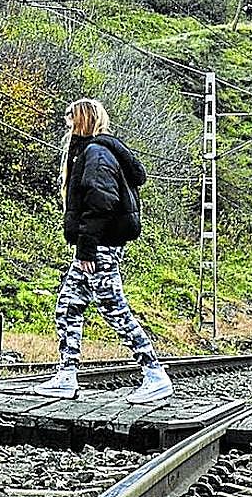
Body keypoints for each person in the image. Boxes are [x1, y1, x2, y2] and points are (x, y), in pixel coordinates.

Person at [33, 98, 174, 403]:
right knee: (68, 306)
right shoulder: (92, 152)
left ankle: (155, 374)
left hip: (100, 248)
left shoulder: (96, 154)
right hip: (96, 246)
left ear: (82, 121)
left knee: (114, 308)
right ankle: (66, 377)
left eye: (70, 121)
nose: (67, 127)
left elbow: (101, 204)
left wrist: (86, 251)